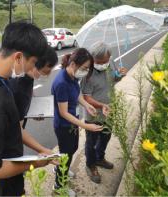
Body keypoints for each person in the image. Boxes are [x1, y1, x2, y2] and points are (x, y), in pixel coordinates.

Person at [0, 21, 55, 196]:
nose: (32, 69)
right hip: (1, 184)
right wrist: (35, 163)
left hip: (10, 168)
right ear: (19, 57)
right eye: (34, 62)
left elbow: (13, 126)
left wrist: (40, 150)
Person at [51, 48, 103, 195]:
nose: (85, 72)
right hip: (63, 125)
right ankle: (59, 186)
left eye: (87, 69)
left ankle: (60, 169)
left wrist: (87, 105)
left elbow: (77, 94)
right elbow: (63, 112)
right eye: (85, 68)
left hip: (72, 124)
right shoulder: (61, 82)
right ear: (73, 64)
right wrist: (85, 125)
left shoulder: (73, 76)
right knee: (65, 155)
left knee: (72, 149)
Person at [80, 41, 127, 184]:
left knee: (106, 137)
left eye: (106, 61)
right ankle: (91, 165)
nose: (103, 64)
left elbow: (113, 79)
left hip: (110, 111)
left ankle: (100, 158)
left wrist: (119, 75)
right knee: (91, 142)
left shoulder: (110, 63)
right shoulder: (87, 72)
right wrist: (102, 105)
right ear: (93, 59)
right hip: (93, 114)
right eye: (100, 62)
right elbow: (86, 97)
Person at [9, 45, 58, 129]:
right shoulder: (19, 89)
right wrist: (37, 143)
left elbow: (30, 91)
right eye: (45, 72)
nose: (48, 75)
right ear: (34, 64)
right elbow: (18, 131)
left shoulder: (28, 76)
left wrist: (34, 110)